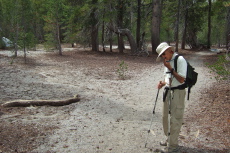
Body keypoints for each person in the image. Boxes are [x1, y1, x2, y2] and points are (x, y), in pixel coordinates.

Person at [156, 42, 187, 153]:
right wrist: (162, 84)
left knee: (175, 119)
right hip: (167, 91)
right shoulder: (167, 62)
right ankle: (168, 139)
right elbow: (168, 78)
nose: (163, 57)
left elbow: (182, 80)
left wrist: (170, 68)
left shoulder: (180, 60)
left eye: (164, 54)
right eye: (162, 56)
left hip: (178, 92)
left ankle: (173, 146)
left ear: (170, 51)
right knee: (165, 117)